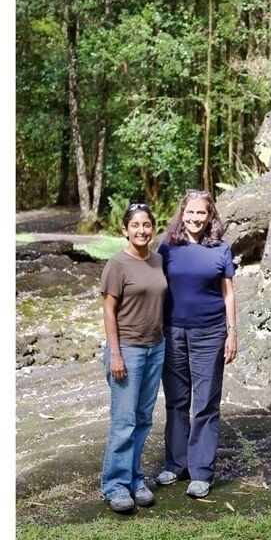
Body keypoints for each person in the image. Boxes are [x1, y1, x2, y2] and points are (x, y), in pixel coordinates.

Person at [155, 189, 237, 498]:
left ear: (210, 215)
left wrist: (232, 332)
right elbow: (154, 289)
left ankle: (201, 472)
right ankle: (176, 465)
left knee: (205, 404)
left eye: (201, 212)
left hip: (210, 334)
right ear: (182, 214)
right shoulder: (167, 249)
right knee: (176, 402)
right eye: (190, 212)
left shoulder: (220, 249)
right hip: (172, 333)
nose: (195, 218)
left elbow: (228, 293)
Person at [99, 202, 167, 513]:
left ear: (153, 228)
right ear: (125, 230)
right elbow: (109, 311)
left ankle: (134, 478)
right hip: (127, 350)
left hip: (156, 347)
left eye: (147, 225)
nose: (141, 231)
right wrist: (115, 355)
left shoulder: (158, 260)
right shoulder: (116, 264)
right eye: (135, 226)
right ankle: (114, 485)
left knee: (142, 420)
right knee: (124, 422)